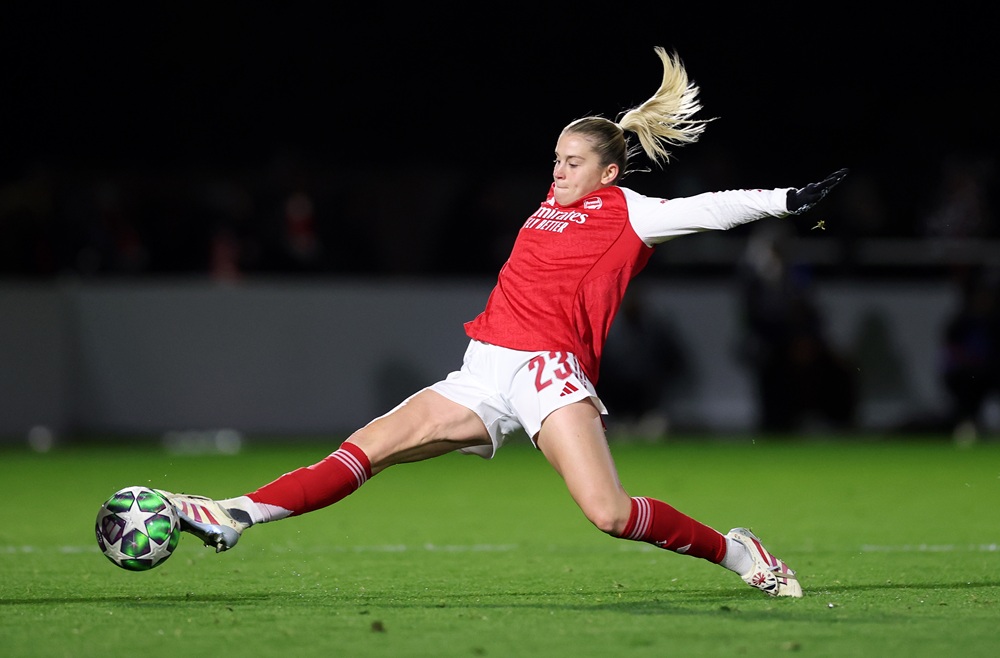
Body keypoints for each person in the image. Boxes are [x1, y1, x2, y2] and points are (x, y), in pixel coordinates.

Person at [157, 48, 847, 598]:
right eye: (555, 159)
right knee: (366, 448)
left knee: (608, 514)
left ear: (609, 171)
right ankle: (234, 513)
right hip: (483, 367)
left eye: (573, 163)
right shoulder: (550, 202)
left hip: (549, 371)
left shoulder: (630, 212)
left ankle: (736, 551)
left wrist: (785, 200)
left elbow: (709, 207)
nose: (559, 171)